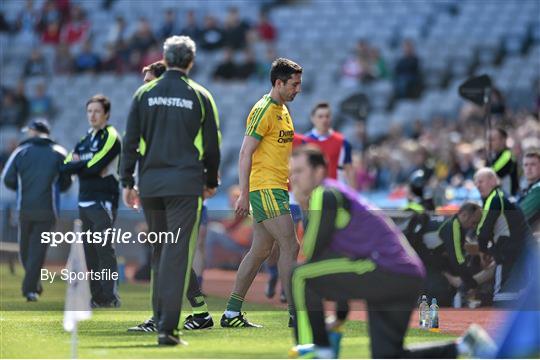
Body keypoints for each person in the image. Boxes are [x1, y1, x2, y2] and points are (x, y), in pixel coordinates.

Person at [288, 145, 494, 358]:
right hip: (406, 276)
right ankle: (465, 346)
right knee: (388, 355)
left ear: (319, 172)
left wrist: (303, 204)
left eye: (300, 171)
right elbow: (333, 262)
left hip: (384, 269)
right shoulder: (335, 195)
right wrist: (340, 316)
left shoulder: (326, 193)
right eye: (292, 172)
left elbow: (312, 251)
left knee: (299, 275)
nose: (294, 178)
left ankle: (314, 351)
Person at [120, 35, 221, 346]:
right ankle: (167, 329)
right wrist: (211, 182)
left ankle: (157, 318)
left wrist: (127, 182)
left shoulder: (144, 93)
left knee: (159, 249)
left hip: (151, 184)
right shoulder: (201, 96)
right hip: (185, 186)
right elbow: (212, 146)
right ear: (190, 62)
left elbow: (131, 142)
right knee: (177, 252)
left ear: (164, 57)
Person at [221, 57, 302, 328]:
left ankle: (231, 313)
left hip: (277, 186)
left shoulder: (283, 109)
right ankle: (296, 314)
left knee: (260, 250)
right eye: (293, 84)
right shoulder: (264, 109)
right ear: (278, 83)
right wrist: (244, 193)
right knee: (291, 245)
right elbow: (245, 152)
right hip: (265, 188)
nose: (297, 89)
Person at [61, 94, 121, 308]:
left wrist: (81, 165)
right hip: (84, 200)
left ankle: (110, 296)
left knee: (104, 248)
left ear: (106, 114)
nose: (92, 115)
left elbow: (94, 166)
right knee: (89, 251)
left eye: (96, 111)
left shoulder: (111, 136)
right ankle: (97, 297)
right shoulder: (84, 139)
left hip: (104, 200)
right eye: (89, 111)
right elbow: (66, 166)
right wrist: (85, 167)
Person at [1, 119, 71, 301]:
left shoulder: (20, 151)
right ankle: (34, 285)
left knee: (25, 251)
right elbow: (66, 182)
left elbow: (7, 179)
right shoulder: (59, 152)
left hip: (24, 209)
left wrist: (25, 187)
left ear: (34, 132)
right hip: (49, 210)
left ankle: (29, 289)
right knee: (37, 250)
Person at [474, 168, 530, 306]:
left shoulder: (494, 199)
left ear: (493, 181)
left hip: (508, 255)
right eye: (476, 183)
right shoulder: (503, 196)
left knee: (503, 299)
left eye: (481, 181)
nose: (478, 186)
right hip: (521, 253)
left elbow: (483, 231)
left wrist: (483, 251)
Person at [304, 102, 354, 186]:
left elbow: (349, 171)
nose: (324, 120)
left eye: (327, 116)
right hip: (312, 192)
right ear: (312, 118)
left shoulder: (343, 142)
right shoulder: (304, 142)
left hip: (336, 191)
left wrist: (353, 195)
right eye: (320, 116)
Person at [488, 128, 519, 197]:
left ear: (503, 140)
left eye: (493, 140)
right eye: (489, 140)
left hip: (507, 197)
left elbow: (491, 172)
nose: (490, 143)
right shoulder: (493, 156)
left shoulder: (508, 155)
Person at [518, 149, 540, 232]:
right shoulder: (527, 188)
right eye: (526, 165)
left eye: (533, 164)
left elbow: (519, 215)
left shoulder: (538, 188)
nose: (529, 168)